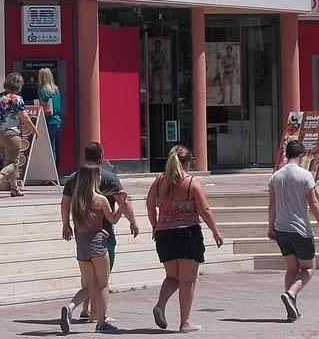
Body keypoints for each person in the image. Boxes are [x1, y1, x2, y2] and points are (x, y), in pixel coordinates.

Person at [146, 145, 223, 333]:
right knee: (187, 280)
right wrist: (216, 231)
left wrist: (155, 225)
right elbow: (204, 210)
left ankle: (160, 304)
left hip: (165, 235)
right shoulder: (191, 183)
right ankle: (185, 322)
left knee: (172, 277)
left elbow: (149, 204)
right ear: (187, 163)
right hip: (188, 234)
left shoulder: (159, 181)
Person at [61, 142, 139, 323]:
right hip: (102, 236)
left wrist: (66, 224)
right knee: (102, 280)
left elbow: (65, 202)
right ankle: (98, 315)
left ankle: (81, 309)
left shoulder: (74, 178)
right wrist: (133, 222)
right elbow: (121, 205)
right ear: (102, 157)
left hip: (81, 236)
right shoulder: (109, 180)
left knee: (88, 281)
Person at [268, 139, 319, 322]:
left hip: (281, 228)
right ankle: (291, 294)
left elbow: (271, 205)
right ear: (301, 155)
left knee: (291, 269)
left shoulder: (276, 176)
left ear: (286, 154)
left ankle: (291, 308)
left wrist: (270, 226)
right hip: (300, 229)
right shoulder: (305, 175)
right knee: (309, 268)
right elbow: (313, 202)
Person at [0, 73, 37, 198]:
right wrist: (35, 130)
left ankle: (14, 189)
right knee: (13, 163)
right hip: (11, 133)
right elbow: (24, 117)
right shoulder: (17, 99)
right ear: (18, 85)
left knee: (7, 162)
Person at [38, 67, 63, 168]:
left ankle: (51, 172)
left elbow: (43, 108)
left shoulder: (43, 92)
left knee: (50, 148)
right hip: (58, 120)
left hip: (49, 121)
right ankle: (56, 169)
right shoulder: (56, 90)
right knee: (56, 147)